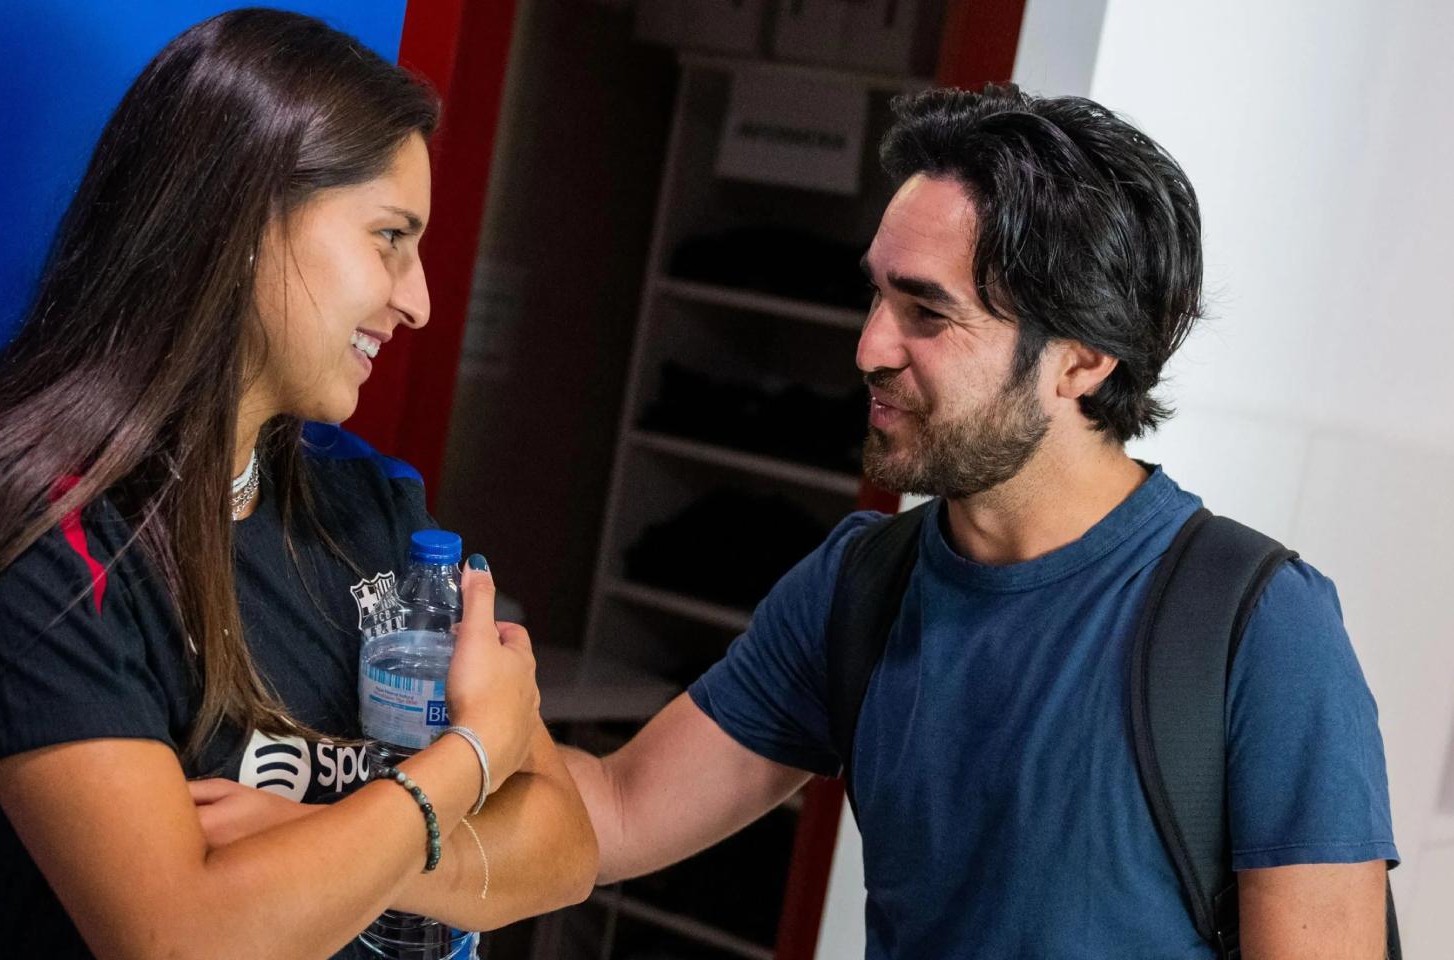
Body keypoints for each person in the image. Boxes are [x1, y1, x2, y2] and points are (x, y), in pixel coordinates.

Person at [562, 84, 1396, 958]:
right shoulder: (862, 585)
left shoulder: (1257, 627)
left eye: (927, 313)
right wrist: (451, 762)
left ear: (1080, 358)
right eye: (877, 298)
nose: (870, 349)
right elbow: (618, 811)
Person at [0, 10, 594, 959]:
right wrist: (464, 765)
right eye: (389, 238)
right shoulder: (38, 541)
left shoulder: (371, 508)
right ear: (243, 219)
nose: (419, 301)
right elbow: (182, 938)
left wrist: (319, 847)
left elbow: (565, 847)